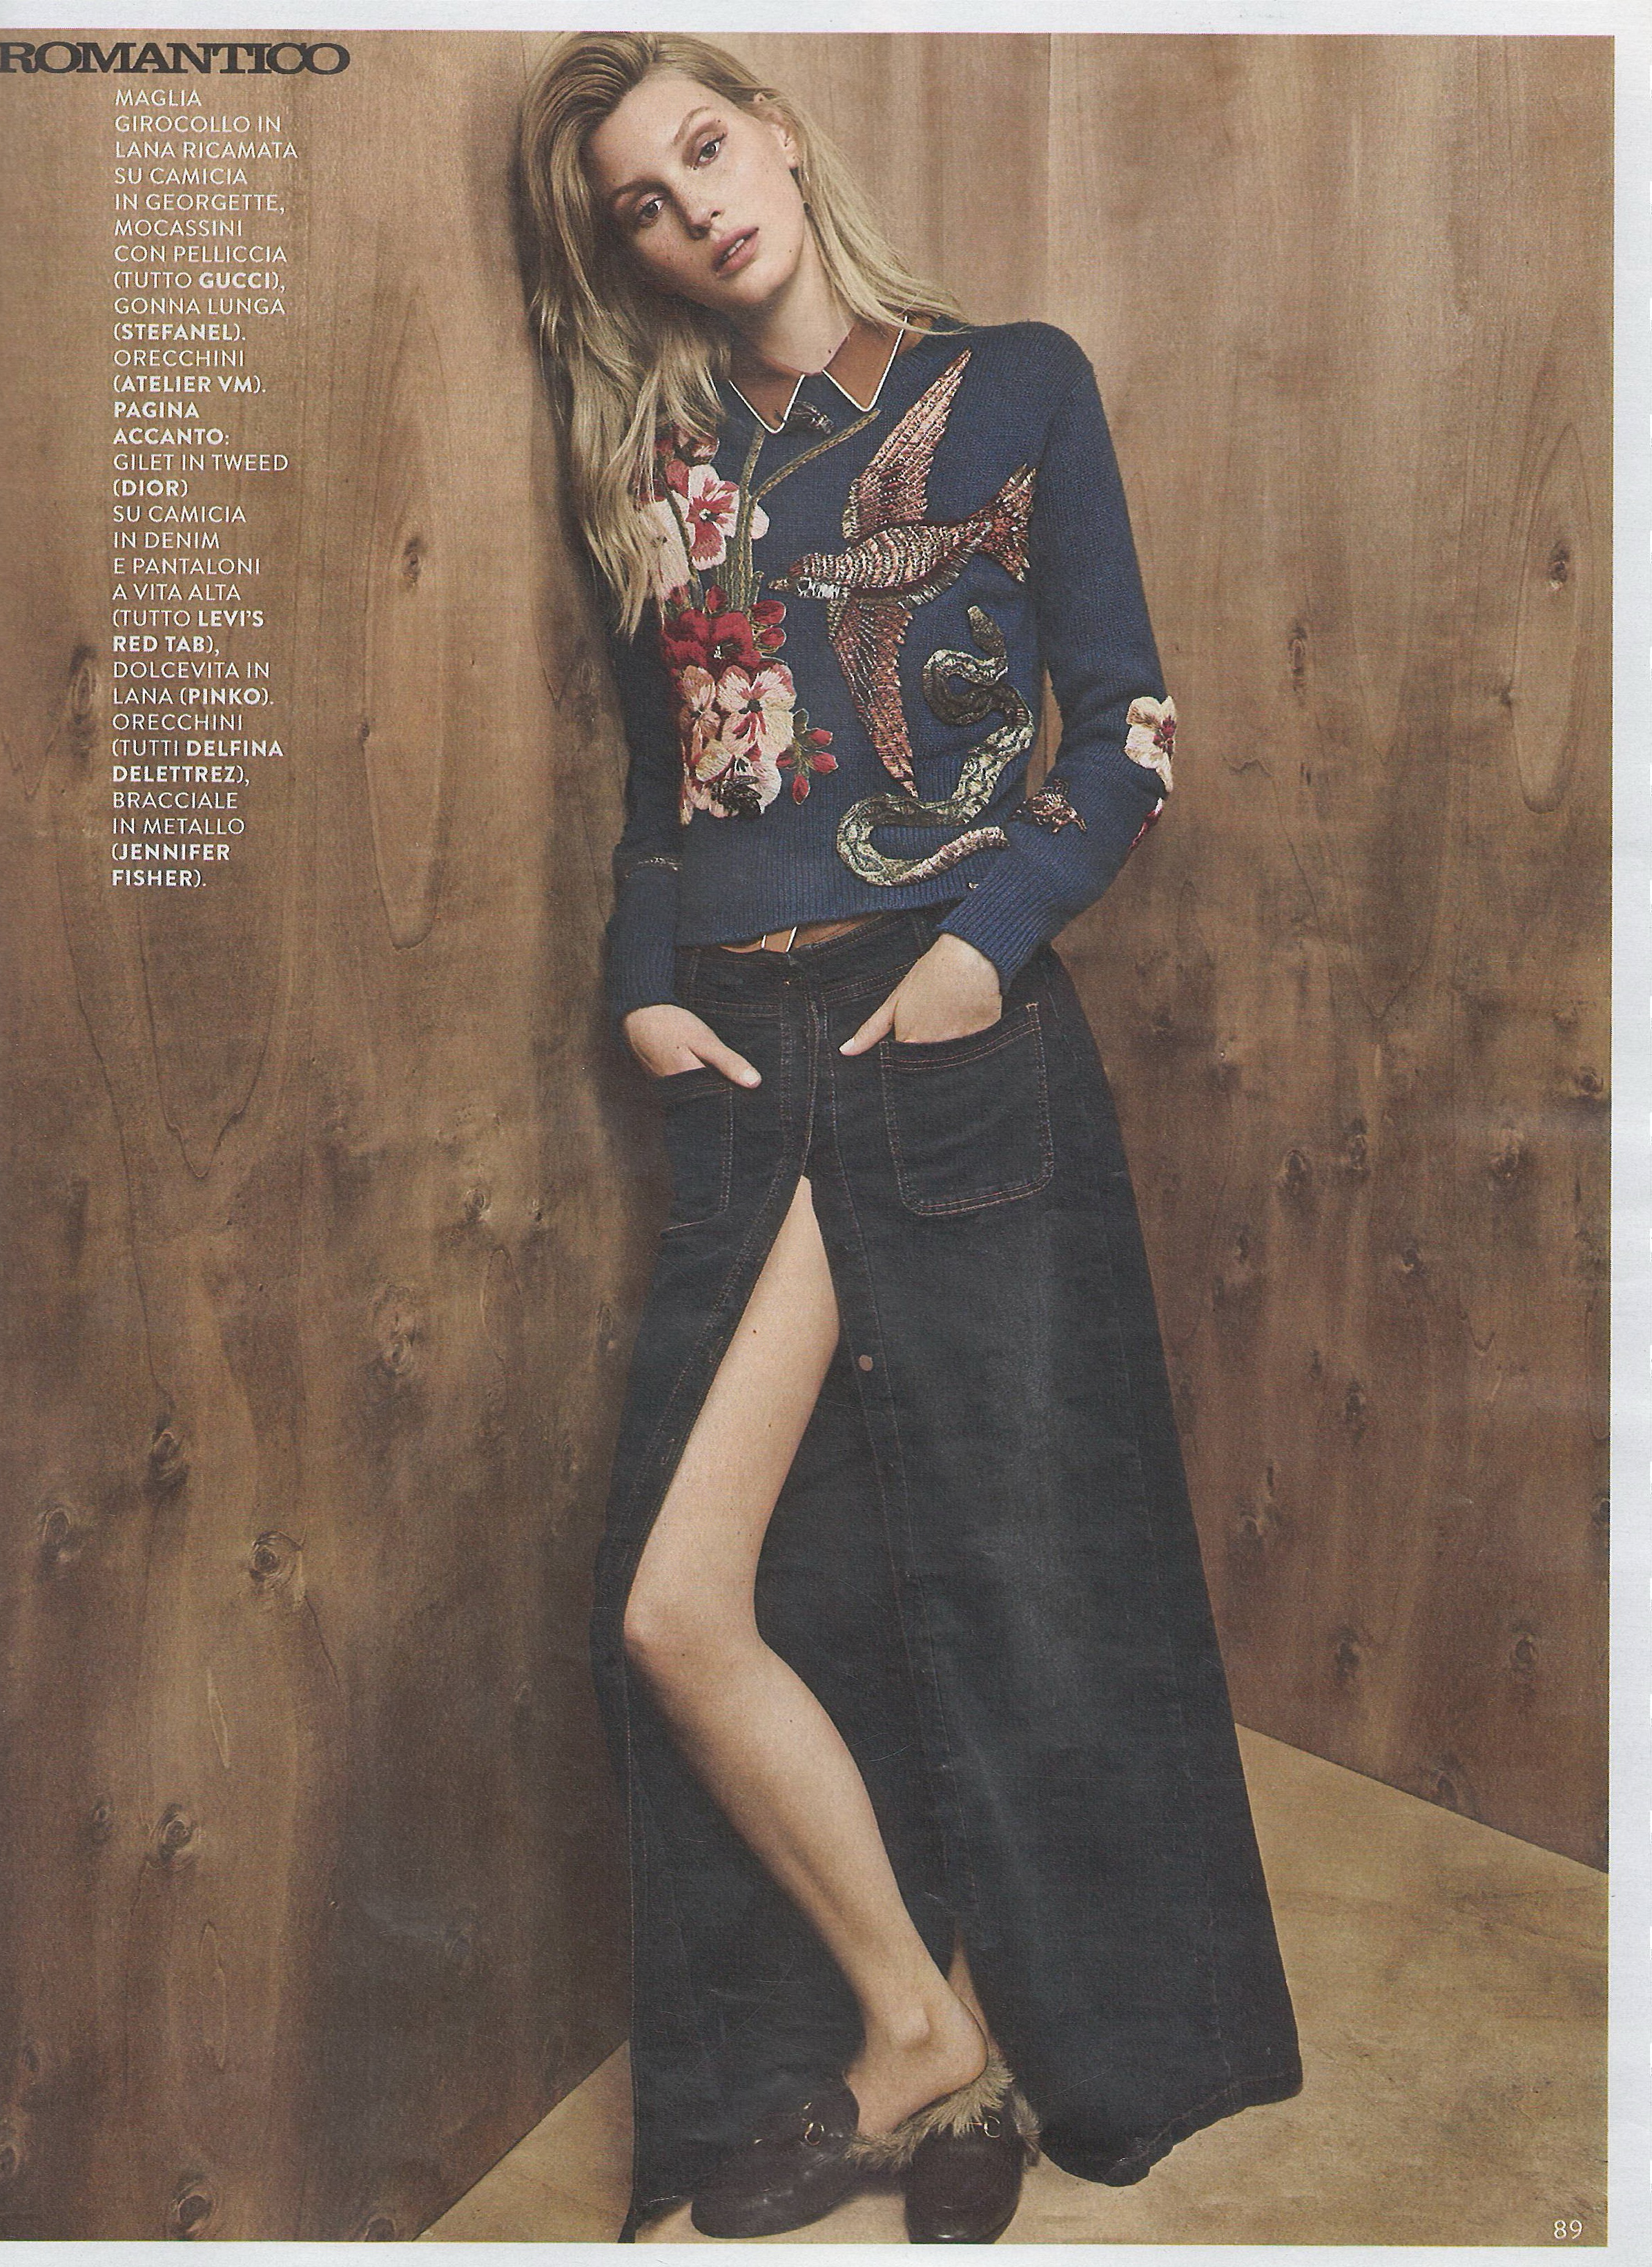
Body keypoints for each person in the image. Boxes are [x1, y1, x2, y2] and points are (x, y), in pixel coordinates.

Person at [514, 32, 1302, 2245]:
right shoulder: (663, 466)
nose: (696, 206)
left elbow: (1126, 729)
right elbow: (667, 785)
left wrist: (980, 951)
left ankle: (973, 2049)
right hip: (750, 1059)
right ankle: (920, 2026)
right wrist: (644, 980)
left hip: (944, 1029)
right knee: (737, 1593)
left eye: (705, 147)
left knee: (982, 1557)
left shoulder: (1013, 385)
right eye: (644, 200)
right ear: (628, 254)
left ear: (775, 132)